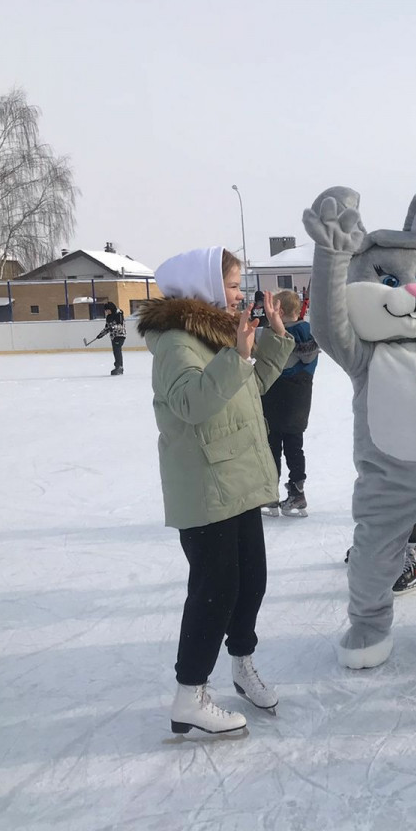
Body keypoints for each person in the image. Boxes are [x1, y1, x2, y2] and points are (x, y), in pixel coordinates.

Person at [137, 247, 294, 735]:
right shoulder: (176, 344)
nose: (238, 293)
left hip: (238, 479)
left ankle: (241, 665)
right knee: (215, 591)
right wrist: (238, 355)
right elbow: (192, 404)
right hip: (206, 486)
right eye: (230, 284)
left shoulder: (217, 335)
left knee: (251, 582)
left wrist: (273, 340)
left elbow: (248, 389)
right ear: (203, 285)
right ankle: (190, 694)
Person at [260, 289, 318, 516]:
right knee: (293, 445)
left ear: (280, 311)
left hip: (280, 394)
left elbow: (270, 357)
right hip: (298, 399)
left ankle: (274, 495)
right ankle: (295, 493)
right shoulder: (306, 330)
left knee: (273, 445)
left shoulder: (285, 331)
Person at [93, 301, 127, 375]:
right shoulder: (108, 317)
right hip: (113, 336)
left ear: (111, 309)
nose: (106, 312)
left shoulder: (119, 314)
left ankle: (119, 367)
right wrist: (101, 334)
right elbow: (107, 328)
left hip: (120, 335)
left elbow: (121, 326)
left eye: (107, 310)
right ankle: (118, 366)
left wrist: (113, 327)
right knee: (115, 351)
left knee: (117, 350)